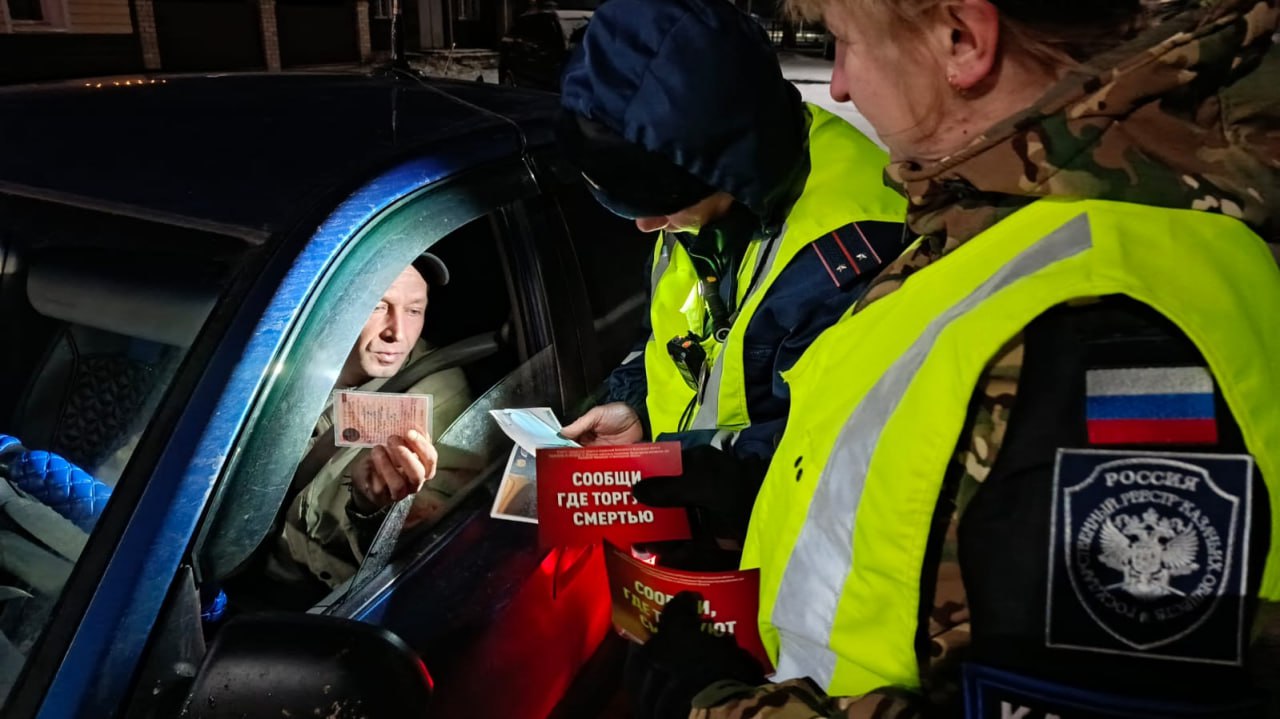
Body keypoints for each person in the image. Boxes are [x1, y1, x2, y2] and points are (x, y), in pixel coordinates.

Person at [625, 0, 1280, 716]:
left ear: (961, 40)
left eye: (844, 43)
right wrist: (756, 490)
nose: (838, 85)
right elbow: (951, 512)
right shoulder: (1008, 229)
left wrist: (716, 707)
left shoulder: (1097, 324)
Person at [556, 0, 907, 553]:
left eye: (663, 204)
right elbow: (677, 340)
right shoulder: (702, 192)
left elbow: (837, 446)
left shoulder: (852, 248)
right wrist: (637, 407)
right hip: (693, 525)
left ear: (734, 168)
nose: (649, 226)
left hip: (776, 549)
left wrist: (706, 475)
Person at [266, 255, 473, 590]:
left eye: (414, 310)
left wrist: (371, 512)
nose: (398, 333)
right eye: (378, 307)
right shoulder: (276, 358)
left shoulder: (436, 395)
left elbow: (423, 553)